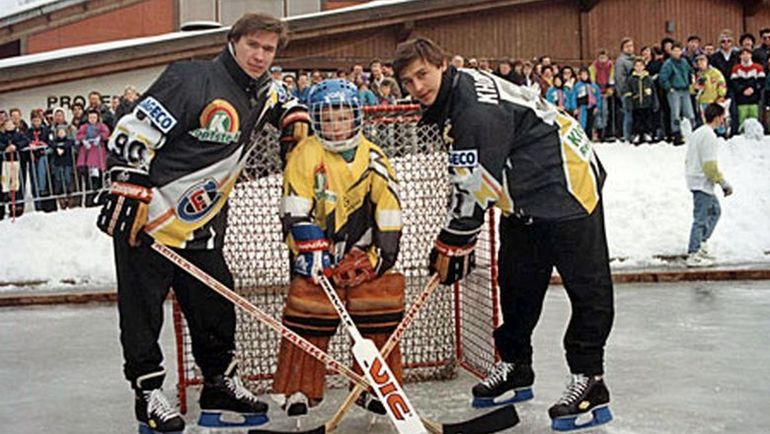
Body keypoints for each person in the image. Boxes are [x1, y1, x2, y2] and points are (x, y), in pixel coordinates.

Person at [94, 13, 310, 434]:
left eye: (268, 49)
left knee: (216, 309)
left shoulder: (264, 91)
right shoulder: (190, 78)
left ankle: (219, 385)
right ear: (233, 42)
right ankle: (148, 393)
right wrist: (130, 185)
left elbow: (282, 98)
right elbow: (132, 131)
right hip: (149, 221)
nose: (260, 56)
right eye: (253, 45)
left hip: (201, 229)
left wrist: (294, 113)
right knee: (142, 316)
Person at [394, 37, 614, 432]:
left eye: (422, 74)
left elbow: (474, 183)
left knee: (588, 288)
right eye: (408, 82)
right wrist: (455, 235)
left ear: (442, 64)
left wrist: (455, 238)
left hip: (566, 185)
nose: (417, 87)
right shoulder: (456, 94)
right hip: (524, 194)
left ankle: (589, 381)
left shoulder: (474, 110)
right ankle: (516, 366)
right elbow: (471, 177)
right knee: (516, 283)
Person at [270, 79, 404, 419]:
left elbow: (388, 206)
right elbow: (294, 205)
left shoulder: (373, 156)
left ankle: (374, 387)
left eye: (342, 116)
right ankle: (298, 389)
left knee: (379, 309)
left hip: (362, 254)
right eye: (327, 118)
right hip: (314, 254)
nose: (335, 124)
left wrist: (382, 256)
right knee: (307, 311)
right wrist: (312, 249)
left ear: (356, 116)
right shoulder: (305, 153)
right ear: (316, 120)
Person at [685, 103, 733, 267]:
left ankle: (702, 243)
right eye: (723, 117)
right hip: (702, 182)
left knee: (715, 211)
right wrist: (723, 183)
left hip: (696, 179)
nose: (723, 120)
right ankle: (694, 251)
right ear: (718, 117)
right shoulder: (709, 136)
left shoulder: (698, 133)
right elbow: (709, 166)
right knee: (701, 217)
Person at [659, 42, 695, 145]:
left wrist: (691, 82)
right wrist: (668, 87)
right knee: (675, 113)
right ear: (671, 52)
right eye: (674, 50)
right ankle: (676, 134)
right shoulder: (668, 63)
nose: (677, 52)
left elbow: (690, 71)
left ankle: (690, 132)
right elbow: (663, 77)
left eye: (679, 50)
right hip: (674, 90)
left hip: (685, 90)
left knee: (689, 112)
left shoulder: (684, 62)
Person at [624, 57, 659, 144]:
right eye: (637, 66)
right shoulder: (631, 79)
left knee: (647, 119)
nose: (639, 67)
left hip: (647, 103)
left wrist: (655, 102)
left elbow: (653, 92)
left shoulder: (648, 79)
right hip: (636, 104)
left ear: (644, 66)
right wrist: (629, 103)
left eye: (640, 65)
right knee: (636, 120)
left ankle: (647, 133)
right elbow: (628, 92)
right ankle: (637, 134)